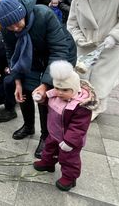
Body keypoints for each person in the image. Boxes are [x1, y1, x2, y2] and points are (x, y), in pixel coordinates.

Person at [0, 0, 76, 158]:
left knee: (43, 95)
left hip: (60, 54)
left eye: (17, 22)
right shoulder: (7, 28)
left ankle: (46, 136)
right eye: (9, 26)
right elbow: (12, 54)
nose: (15, 28)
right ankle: (28, 125)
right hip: (31, 56)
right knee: (24, 87)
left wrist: (45, 84)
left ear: (22, 12)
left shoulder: (44, 15)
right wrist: (17, 81)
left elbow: (59, 50)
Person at [67, 0, 119, 120]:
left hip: (109, 45)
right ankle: (84, 102)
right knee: (82, 77)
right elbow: (72, 22)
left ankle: (97, 106)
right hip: (86, 45)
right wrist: (79, 38)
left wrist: (115, 36)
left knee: (101, 78)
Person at [33, 60, 97, 191]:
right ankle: (48, 163)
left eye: (65, 90)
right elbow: (48, 103)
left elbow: (79, 127)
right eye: (57, 88)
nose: (60, 92)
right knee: (49, 149)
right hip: (54, 133)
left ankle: (69, 177)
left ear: (75, 88)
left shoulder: (81, 106)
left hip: (70, 141)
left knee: (69, 159)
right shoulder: (56, 95)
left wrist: (70, 142)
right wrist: (41, 98)